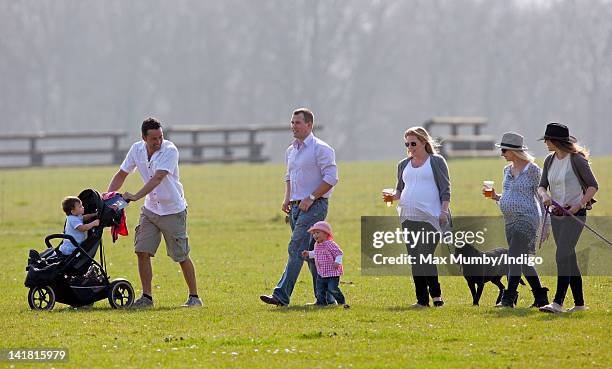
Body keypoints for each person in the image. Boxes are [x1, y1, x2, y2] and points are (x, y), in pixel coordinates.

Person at [107, 117, 201, 308]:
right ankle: (147, 298)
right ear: (144, 138)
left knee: (180, 255)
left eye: (160, 137)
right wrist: (106, 198)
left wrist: (135, 196)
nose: (158, 142)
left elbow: (158, 178)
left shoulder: (170, 150)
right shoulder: (136, 149)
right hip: (150, 209)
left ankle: (194, 297)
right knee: (142, 250)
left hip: (172, 210)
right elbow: (122, 174)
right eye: (153, 139)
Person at [260, 108, 339, 306]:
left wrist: (311, 198)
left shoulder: (321, 148)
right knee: (313, 254)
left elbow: (331, 178)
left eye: (297, 123)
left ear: (309, 125)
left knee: (296, 248)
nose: (293, 126)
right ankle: (327, 299)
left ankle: (281, 295)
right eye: (292, 122)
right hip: (296, 208)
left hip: (315, 206)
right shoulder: (290, 151)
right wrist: (287, 198)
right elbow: (289, 177)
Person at [382, 126, 450, 308]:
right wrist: (392, 195)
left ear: (423, 142)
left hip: (431, 217)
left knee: (425, 256)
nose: (410, 147)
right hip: (408, 217)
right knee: (415, 260)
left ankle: (437, 297)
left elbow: (445, 189)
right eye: (407, 143)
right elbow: (400, 190)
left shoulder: (436, 161)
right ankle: (422, 300)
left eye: (413, 143)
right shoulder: (403, 164)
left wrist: (444, 211)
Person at [537, 123, 598, 313]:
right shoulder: (549, 160)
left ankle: (557, 303)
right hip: (557, 216)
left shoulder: (577, 160)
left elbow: (593, 186)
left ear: (555, 141)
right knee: (568, 258)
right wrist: (545, 196)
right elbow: (541, 186)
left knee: (562, 254)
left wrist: (579, 204)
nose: (545, 142)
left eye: (547, 139)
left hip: (575, 214)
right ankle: (579, 305)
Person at [484, 132, 550, 308]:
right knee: (521, 260)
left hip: (527, 219)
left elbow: (543, 199)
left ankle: (508, 298)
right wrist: (495, 197)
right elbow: (508, 196)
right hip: (510, 221)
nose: (502, 153)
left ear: (514, 151)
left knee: (513, 257)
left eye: (504, 150)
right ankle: (541, 298)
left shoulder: (534, 171)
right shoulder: (506, 170)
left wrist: (546, 225)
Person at [301, 221, 349, 309]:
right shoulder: (317, 244)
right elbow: (316, 253)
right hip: (321, 272)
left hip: (332, 272)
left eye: (317, 233)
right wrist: (309, 254)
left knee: (332, 289)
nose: (315, 235)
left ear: (326, 233)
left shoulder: (330, 244)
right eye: (314, 233)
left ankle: (341, 302)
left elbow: (339, 253)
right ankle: (321, 303)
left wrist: (337, 262)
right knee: (319, 289)